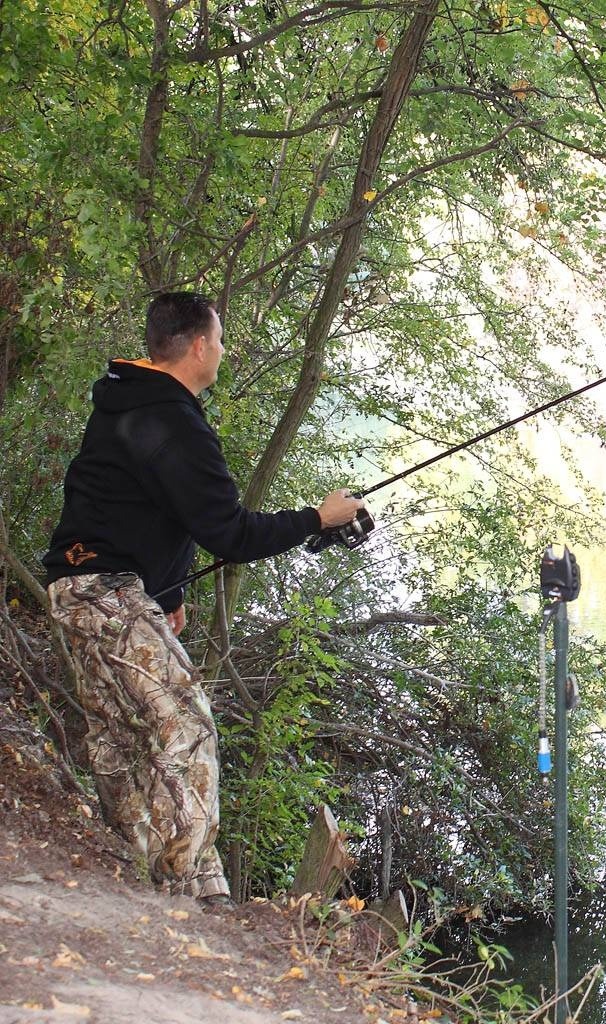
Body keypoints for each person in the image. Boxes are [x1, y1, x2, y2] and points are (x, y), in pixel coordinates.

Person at [42, 291, 364, 906]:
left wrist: (163, 592)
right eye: (218, 339)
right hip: (104, 592)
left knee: (116, 739)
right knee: (190, 727)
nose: (222, 349)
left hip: (81, 588)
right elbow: (230, 533)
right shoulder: (174, 419)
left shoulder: (126, 398)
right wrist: (317, 518)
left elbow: (142, 504)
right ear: (196, 346)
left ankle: (143, 883)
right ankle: (193, 895)